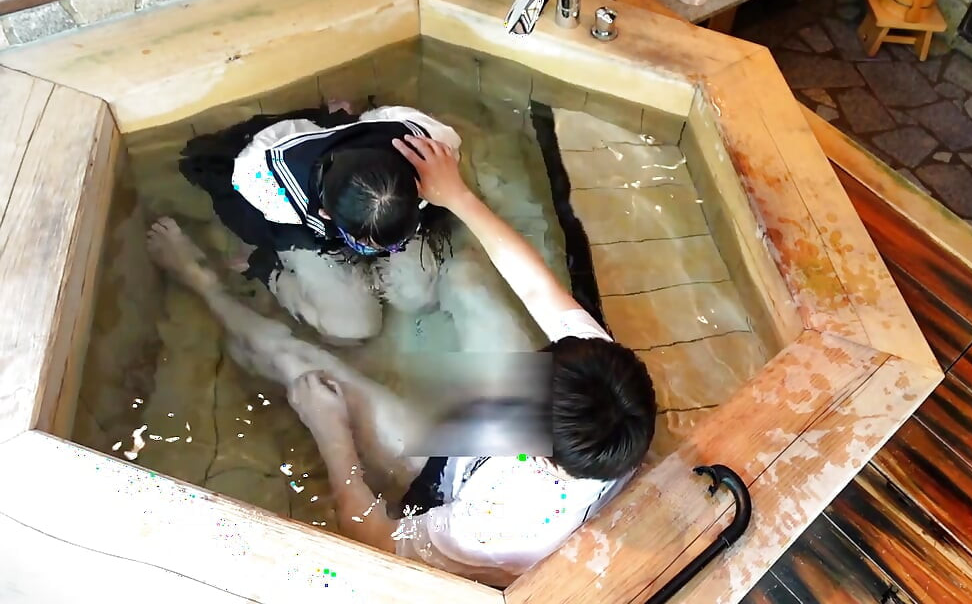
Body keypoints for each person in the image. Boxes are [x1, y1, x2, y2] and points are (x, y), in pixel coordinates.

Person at [144, 134, 656, 586]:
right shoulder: (607, 382)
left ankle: (206, 289)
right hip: (524, 451)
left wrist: (333, 433)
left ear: (533, 446)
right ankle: (410, 274)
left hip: (455, 482)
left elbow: (380, 538)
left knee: (308, 370)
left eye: (525, 384)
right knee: (469, 282)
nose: (520, 374)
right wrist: (456, 194)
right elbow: (537, 290)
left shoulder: (497, 523)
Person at [178, 100, 461, 342]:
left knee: (420, 297)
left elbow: (390, 117)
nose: (384, 251)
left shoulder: (430, 147)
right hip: (296, 203)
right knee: (352, 330)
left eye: (395, 241)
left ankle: (373, 241)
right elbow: (246, 211)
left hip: (353, 166)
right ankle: (269, 272)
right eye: (364, 245)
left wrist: (347, 121)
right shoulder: (266, 184)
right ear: (326, 215)